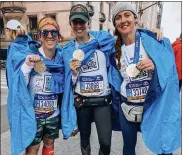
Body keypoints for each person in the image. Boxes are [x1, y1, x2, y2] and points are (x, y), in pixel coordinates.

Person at [61, 4, 163, 155]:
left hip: (102, 101)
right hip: (82, 102)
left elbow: (126, 35)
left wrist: (149, 33)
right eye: (75, 22)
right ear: (70, 24)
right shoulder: (67, 50)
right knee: (84, 140)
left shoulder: (104, 42)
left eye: (81, 22)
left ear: (88, 23)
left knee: (105, 143)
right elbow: (66, 81)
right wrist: (74, 73)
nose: (78, 26)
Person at [111, 2, 181, 155]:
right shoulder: (114, 48)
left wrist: (156, 65)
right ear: (115, 24)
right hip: (127, 107)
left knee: (163, 146)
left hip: (152, 106)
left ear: (135, 19)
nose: (123, 20)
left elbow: (170, 72)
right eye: (118, 17)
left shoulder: (153, 41)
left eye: (127, 15)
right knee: (128, 148)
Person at [6, 17, 64, 155]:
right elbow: (19, 86)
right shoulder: (30, 55)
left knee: (49, 144)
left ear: (58, 36)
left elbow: (67, 85)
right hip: (34, 116)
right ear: (39, 36)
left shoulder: (62, 58)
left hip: (52, 114)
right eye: (45, 33)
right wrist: (27, 66)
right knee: (33, 149)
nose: (49, 36)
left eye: (53, 33)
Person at [5, 19, 32, 87]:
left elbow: (12, 71)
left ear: (10, 30)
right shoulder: (29, 43)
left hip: (18, 87)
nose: (6, 32)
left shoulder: (14, 47)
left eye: (6, 29)